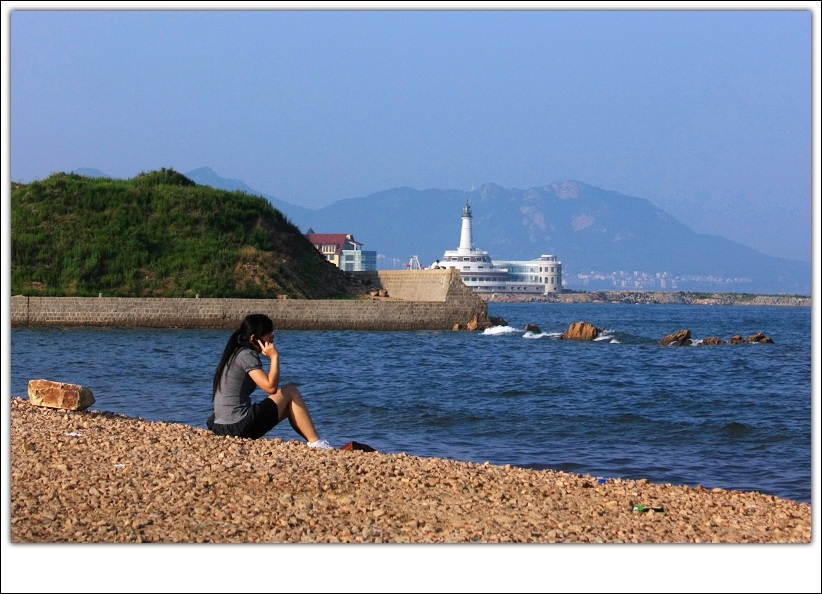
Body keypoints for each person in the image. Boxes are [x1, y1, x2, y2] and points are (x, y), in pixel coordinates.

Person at [207, 313, 333, 448]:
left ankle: (314, 442)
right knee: (290, 390)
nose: (272, 336)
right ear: (253, 338)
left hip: (219, 426)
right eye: (268, 332)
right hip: (237, 426)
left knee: (290, 407)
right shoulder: (246, 355)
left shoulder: (234, 353)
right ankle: (316, 443)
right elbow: (270, 388)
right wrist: (274, 357)